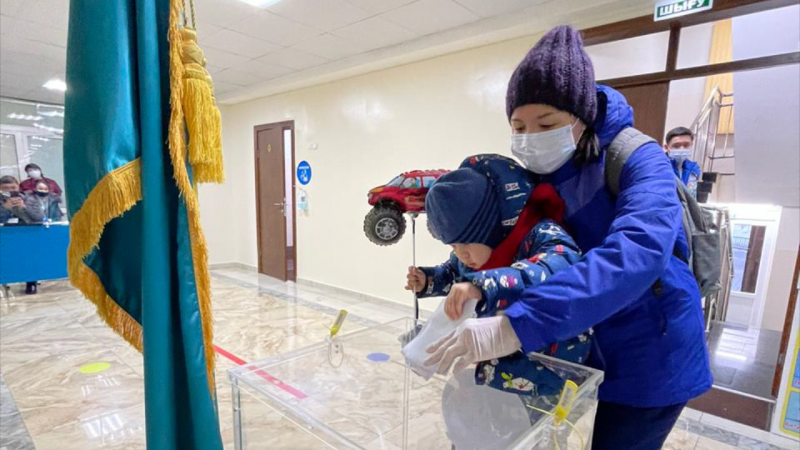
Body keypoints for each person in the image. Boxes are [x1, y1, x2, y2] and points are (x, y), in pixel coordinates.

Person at [424, 26, 711, 450]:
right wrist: (472, 284)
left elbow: (636, 252)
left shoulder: (639, 157)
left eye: (547, 123)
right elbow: (512, 244)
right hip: (573, 346)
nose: (531, 138)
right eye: (518, 126)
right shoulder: (536, 174)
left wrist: (517, 325)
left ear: (582, 116)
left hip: (650, 350)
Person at [407, 154, 591, 399]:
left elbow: (560, 265)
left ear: (490, 229)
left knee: (542, 419)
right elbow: (454, 272)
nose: (461, 254)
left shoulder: (540, 233)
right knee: (500, 415)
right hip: (502, 370)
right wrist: (429, 280)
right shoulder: (473, 255)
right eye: (452, 246)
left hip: (551, 366)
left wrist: (485, 284)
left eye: (466, 243)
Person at [664, 126, 702, 198]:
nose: (682, 149)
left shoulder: (694, 170)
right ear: (666, 147)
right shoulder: (660, 168)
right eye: (676, 146)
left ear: (691, 145)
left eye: (686, 145)